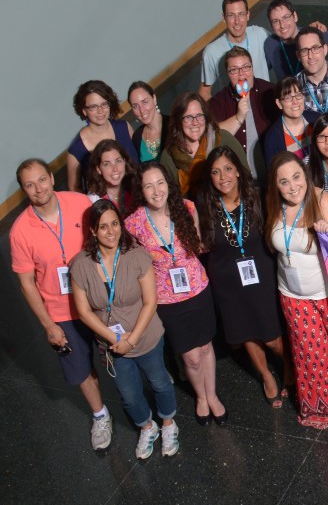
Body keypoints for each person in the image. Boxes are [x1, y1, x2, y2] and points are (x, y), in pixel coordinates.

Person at [10, 160, 111, 451]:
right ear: (24, 191)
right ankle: (100, 416)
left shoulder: (79, 203)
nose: (38, 188)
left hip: (97, 301)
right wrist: (48, 326)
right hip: (61, 311)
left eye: (42, 180)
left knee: (122, 351)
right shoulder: (20, 232)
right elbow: (27, 283)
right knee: (79, 369)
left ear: (52, 178)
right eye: (30, 185)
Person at [70, 199, 179, 460]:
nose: (111, 231)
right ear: (93, 231)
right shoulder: (80, 265)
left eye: (115, 224)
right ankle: (147, 426)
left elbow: (151, 302)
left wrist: (132, 339)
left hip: (146, 337)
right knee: (128, 395)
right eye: (103, 227)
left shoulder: (138, 256)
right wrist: (114, 339)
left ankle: (168, 424)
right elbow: (84, 311)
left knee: (160, 382)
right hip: (113, 345)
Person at [125, 162, 226, 425]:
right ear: (141, 191)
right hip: (167, 298)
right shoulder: (134, 224)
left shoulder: (187, 208)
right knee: (191, 356)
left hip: (198, 289)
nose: (156, 191)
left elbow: (201, 245)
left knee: (205, 347)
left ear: (168, 184)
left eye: (160, 183)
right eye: (148, 186)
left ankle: (212, 395)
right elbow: (133, 263)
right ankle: (201, 397)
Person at [195, 147, 292, 409]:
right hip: (227, 281)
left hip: (261, 275)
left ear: (238, 170)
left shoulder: (257, 196)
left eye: (227, 168)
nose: (223, 176)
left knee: (272, 337)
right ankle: (266, 377)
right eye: (215, 172)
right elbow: (202, 243)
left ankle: (289, 368)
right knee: (246, 333)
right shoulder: (205, 205)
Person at [266, 152, 328, 429]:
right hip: (290, 294)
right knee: (308, 354)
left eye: (296, 177)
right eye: (284, 181)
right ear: (276, 186)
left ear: (305, 175)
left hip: (324, 294)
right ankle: (317, 405)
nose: (292, 186)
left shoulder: (323, 200)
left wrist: (327, 236)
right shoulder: (275, 207)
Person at [208, 46, 278, 180]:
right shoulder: (217, 102)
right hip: (241, 181)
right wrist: (238, 117)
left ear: (252, 68)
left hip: (273, 175)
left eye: (246, 67)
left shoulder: (270, 91)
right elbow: (212, 140)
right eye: (234, 70)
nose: (241, 74)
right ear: (227, 74)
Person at [159, 92, 246, 197]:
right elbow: (170, 199)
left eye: (199, 116)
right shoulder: (168, 156)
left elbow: (246, 178)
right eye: (188, 117)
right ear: (178, 121)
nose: (195, 122)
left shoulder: (223, 139)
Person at [67, 80, 138, 192]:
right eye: (93, 107)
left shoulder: (124, 127)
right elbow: (74, 188)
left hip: (138, 197)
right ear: (84, 111)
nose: (100, 111)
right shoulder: (77, 148)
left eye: (104, 104)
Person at [198, 0, 270, 101]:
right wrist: (217, 114)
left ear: (248, 15)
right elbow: (204, 92)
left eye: (241, 14)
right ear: (224, 18)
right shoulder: (212, 51)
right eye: (231, 15)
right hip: (235, 111)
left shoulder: (260, 34)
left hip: (265, 104)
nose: (237, 22)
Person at [265, 0, 328, 80]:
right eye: (275, 21)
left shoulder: (314, 36)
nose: (282, 25)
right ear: (271, 25)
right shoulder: (270, 44)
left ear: (295, 16)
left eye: (285, 17)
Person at [262, 77, 320, 165]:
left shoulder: (317, 120)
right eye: (288, 98)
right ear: (279, 104)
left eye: (298, 95)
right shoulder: (272, 139)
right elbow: (274, 175)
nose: (295, 102)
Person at [85, 140, 136, 217]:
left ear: (124, 162)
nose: (115, 169)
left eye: (118, 161)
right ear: (98, 169)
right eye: (107, 164)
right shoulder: (93, 200)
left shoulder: (136, 186)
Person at [128, 81, 168, 163]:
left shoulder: (174, 124)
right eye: (135, 106)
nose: (141, 110)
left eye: (145, 102)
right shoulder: (137, 137)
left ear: (154, 99)